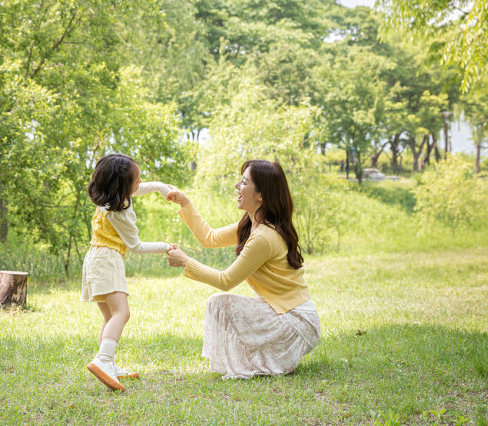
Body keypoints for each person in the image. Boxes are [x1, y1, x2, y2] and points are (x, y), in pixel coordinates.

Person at [165, 159, 320, 379]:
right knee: (218, 304)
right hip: (285, 313)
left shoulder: (263, 237)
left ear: (261, 195)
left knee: (219, 302)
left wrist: (185, 262)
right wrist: (185, 203)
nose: (237, 186)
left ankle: (276, 358)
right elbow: (209, 238)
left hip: (296, 322)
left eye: (244, 182)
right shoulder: (250, 224)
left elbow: (225, 280)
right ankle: (270, 359)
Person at [82, 153, 171, 391]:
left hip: (95, 258)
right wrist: (166, 247)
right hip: (107, 261)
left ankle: (107, 362)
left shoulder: (108, 198)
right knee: (122, 313)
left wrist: (160, 187)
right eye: (137, 179)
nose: (140, 183)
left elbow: (138, 190)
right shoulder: (121, 211)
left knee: (111, 317)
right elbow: (135, 246)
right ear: (123, 187)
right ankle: (103, 360)